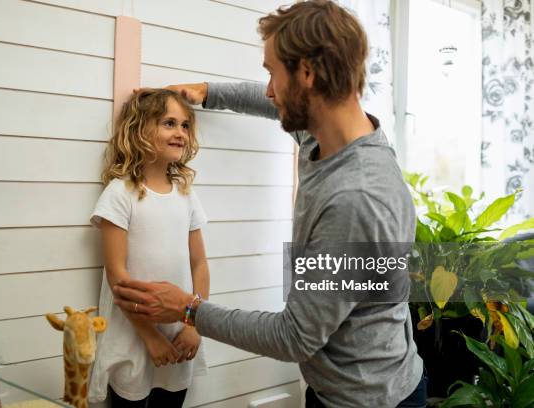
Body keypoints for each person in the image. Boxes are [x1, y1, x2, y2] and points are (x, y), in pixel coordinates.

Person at [113, 1, 426, 407]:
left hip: (366, 399)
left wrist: (188, 309)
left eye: (272, 73)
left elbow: (294, 337)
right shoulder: (327, 137)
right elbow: (273, 105)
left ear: (308, 75)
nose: (268, 90)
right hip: (342, 386)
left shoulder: (356, 198)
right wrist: (206, 93)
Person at [87, 88, 209, 408]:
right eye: (169, 123)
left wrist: (195, 324)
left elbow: (200, 264)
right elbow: (117, 276)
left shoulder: (186, 194)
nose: (180, 133)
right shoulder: (120, 193)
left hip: (180, 331)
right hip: (133, 333)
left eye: (185, 125)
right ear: (140, 129)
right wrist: (150, 336)